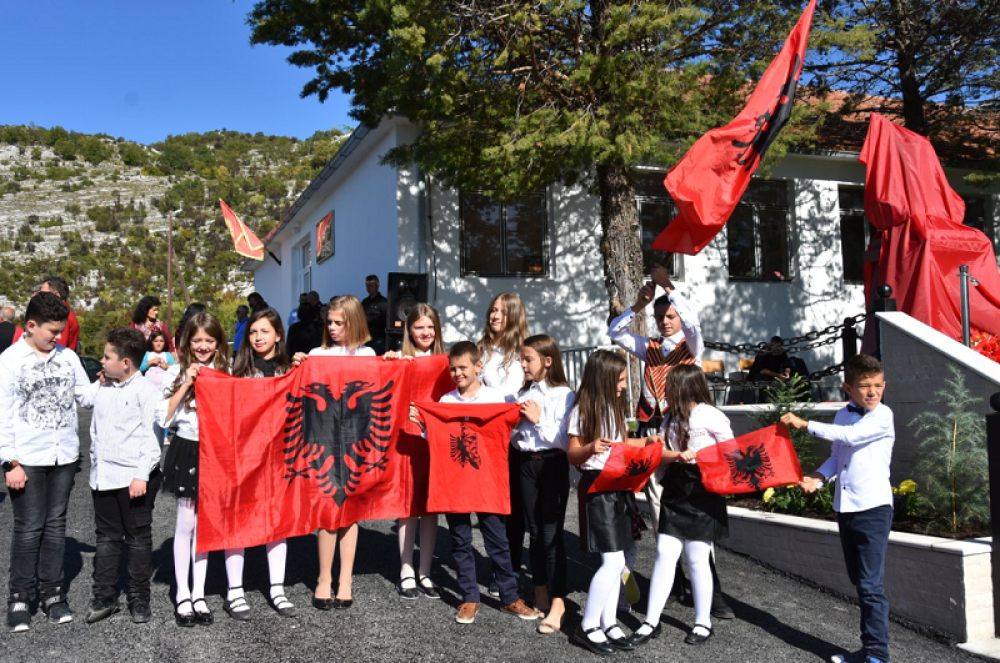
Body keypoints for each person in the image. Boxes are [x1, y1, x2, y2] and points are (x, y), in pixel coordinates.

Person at [607, 264, 732, 618]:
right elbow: (615, 333)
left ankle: (712, 590)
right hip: (656, 433)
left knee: (695, 510)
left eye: (670, 315)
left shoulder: (691, 344)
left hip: (689, 433)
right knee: (660, 507)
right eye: (661, 316)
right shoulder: (649, 347)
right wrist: (637, 307)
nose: (665, 321)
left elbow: (693, 324)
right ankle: (676, 579)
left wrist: (670, 288)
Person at [409, 341, 539, 625]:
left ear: (478, 366)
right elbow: (438, 441)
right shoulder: (445, 402)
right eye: (453, 369)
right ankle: (469, 597)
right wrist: (423, 426)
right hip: (454, 481)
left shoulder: (495, 398)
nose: (457, 373)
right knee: (459, 541)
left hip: (487, 482)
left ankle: (509, 597)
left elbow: (510, 429)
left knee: (498, 541)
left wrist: (528, 417)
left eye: (463, 367)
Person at [781, 355, 894, 663]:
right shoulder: (844, 415)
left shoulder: (883, 416)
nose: (872, 392)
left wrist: (805, 424)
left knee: (870, 586)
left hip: (873, 509)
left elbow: (852, 437)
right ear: (848, 387)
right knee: (860, 582)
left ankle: (877, 656)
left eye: (878, 385)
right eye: (864, 386)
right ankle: (868, 650)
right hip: (847, 507)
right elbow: (838, 455)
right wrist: (817, 478)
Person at [0, 292, 93, 632]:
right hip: (26, 457)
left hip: (64, 455)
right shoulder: (9, 360)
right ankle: (20, 598)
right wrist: (9, 462)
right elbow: (2, 414)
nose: (58, 337)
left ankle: (53, 594)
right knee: (28, 528)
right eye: (52, 331)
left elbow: (86, 396)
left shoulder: (68, 358)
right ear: (31, 325)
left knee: (55, 524)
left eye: (61, 331)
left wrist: (121, 377)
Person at [629, 365, 733, 648]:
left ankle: (703, 622)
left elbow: (731, 452)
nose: (668, 392)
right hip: (676, 489)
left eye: (672, 387)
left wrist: (700, 458)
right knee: (664, 553)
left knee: (698, 557)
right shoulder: (669, 419)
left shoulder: (711, 415)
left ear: (688, 387)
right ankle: (651, 620)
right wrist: (673, 455)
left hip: (703, 490)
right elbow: (659, 455)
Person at [566, 349, 662, 654]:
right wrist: (591, 446)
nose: (624, 385)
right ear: (605, 378)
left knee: (618, 560)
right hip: (598, 487)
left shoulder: (612, 407)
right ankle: (588, 625)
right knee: (612, 561)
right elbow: (572, 453)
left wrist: (645, 442)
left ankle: (608, 622)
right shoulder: (583, 408)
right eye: (620, 379)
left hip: (618, 487)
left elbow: (619, 445)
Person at [293, 295, 375, 611]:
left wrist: (396, 363)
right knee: (328, 511)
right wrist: (299, 366)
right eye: (330, 322)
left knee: (349, 512)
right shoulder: (317, 353)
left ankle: (346, 580)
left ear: (353, 322)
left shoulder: (369, 355)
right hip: (324, 442)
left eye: (339, 322)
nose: (333, 327)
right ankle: (323, 578)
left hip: (355, 444)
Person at [84, 328, 163, 625]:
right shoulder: (103, 386)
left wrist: (141, 475)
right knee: (106, 538)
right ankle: (104, 596)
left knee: (139, 539)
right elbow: (84, 401)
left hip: (134, 479)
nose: (102, 362)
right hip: (103, 477)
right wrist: (98, 382)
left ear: (126, 362)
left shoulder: (146, 391)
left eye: (107, 357)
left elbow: (151, 437)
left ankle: (139, 598)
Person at [156, 312, 230, 627]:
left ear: (218, 342)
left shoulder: (227, 371)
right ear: (188, 341)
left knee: (206, 526)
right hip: (187, 450)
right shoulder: (175, 371)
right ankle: (182, 594)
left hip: (217, 453)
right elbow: (163, 417)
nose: (202, 346)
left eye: (209, 341)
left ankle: (199, 593)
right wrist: (187, 381)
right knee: (186, 522)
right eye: (197, 340)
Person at [226, 309, 297, 619]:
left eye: (265, 331)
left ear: (278, 335)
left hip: (279, 455)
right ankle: (234, 590)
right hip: (244, 454)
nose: (258, 337)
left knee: (276, 522)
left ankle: (277, 588)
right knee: (239, 519)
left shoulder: (288, 370)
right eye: (253, 331)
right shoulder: (236, 370)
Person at [508, 334, 574, 635]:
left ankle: (559, 601)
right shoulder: (522, 393)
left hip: (552, 465)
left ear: (548, 361)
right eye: (522, 358)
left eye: (528, 359)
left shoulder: (565, 395)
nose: (522, 364)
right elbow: (513, 437)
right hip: (525, 465)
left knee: (551, 534)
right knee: (534, 531)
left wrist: (536, 421)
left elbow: (565, 440)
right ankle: (539, 590)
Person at [383, 304, 445, 601]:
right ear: (409, 330)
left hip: (435, 441)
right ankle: (406, 570)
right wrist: (391, 361)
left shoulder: (445, 362)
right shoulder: (401, 359)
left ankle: (425, 571)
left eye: (430, 327)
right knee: (407, 507)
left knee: (431, 508)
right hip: (408, 438)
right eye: (419, 327)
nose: (425, 332)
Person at [478, 292, 529, 401]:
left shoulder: (526, 350)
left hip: (519, 413)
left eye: (504, 312)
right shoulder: (480, 351)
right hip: (491, 412)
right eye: (494, 310)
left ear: (515, 316)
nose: (496, 316)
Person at [40, 276, 80, 353]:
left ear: (56, 295)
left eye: (43, 293)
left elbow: (57, 349)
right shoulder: (60, 314)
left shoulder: (63, 317)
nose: (40, 297)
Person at [361, 275, 388, 355]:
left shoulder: (383, 302)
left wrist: (370, 319)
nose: (368, 288)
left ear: (377, 285)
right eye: (367, 286)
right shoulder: (365, 302)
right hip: (365, 339)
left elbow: (386, 321)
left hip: (378, 340)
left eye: (370, 285)